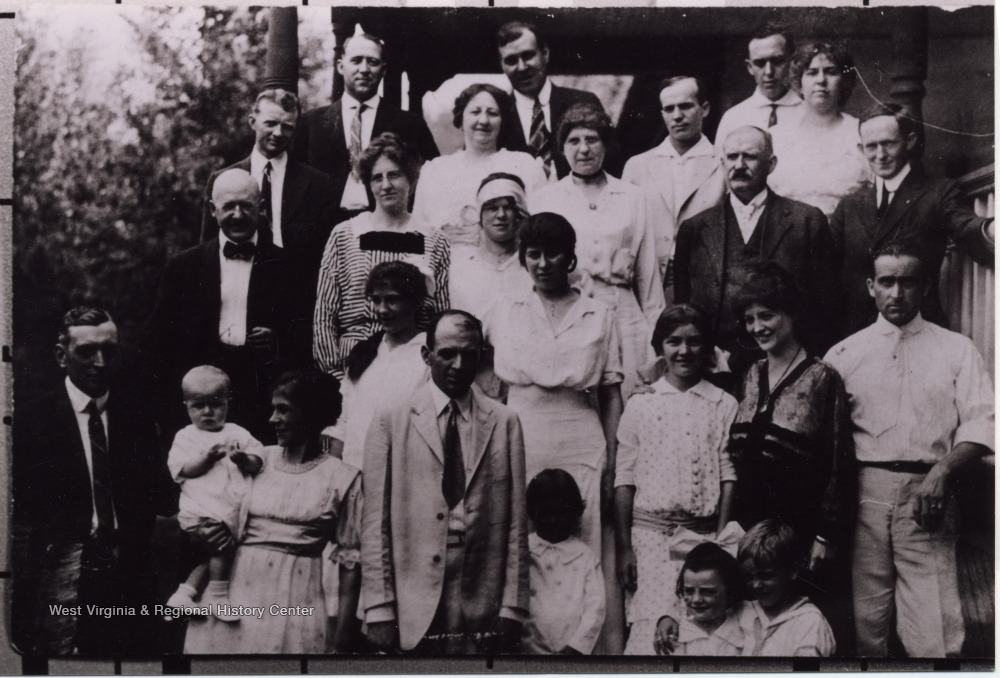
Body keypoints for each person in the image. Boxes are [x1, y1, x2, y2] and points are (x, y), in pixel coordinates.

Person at [824, 240, 994, 658]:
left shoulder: (956, 349)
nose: (896, 293)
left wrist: (942, 473)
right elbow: (829, 440)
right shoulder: (844, 354)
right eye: (887, 282)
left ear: (926, 286)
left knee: (933, 626)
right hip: (865, 495)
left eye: (908, 282)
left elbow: (984, 422)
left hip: (930, 493)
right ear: (871, 286)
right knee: (868, 624)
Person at [483, 212, 625, 653]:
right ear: (523, 259)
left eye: (553, 254)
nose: (543, 264)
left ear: (570, 257)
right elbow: (486, 378)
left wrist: (613, 462)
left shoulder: (599, 313)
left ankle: (588, 653)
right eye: (534, 254)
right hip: (521, 434)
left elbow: (611, 392)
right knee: (522, 544)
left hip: (581, 439)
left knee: (585, 544)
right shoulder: (504, 307)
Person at [361, 311, 529, 654]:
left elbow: (515, 521)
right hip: (411, 592)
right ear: (427, 356)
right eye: (447, 354)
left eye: (469, 355)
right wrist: (379, 606)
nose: (458, 365)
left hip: (480, 592)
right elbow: (374, 521)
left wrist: (512, 605)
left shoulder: (504, 422)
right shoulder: (391, 418)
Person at [12, 307, 176, 655]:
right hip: (60, 578)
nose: (100, 363)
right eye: (87, 351)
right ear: (62, 356)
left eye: (109, 351)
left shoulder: (136, 417)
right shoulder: (29, 423)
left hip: (131, 577)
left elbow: (162, 497)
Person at [184, 369, 363, 654]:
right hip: (232, 596)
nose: (272, 419)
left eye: (283, 410)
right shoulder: (255, 459)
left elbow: (351, 561)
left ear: (311, 413)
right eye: (273, 409)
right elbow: (208, 507)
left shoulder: (342, 477)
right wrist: (204, 534)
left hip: (296, 600)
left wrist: (342, 636)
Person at [726, 259, 854, 650]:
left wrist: (825, 535)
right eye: (749, 319)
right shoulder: (750, 374)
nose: (757, 327)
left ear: (792, 314)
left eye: (767, 315)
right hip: (749, 527)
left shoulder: (822, 377)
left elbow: (838, 463)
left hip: (799, 530)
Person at [614, 304, 739, 655]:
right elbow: (624, 478)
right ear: (659, 347)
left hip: (703, 541)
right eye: (674, 341)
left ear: (708, 347)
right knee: (649, 637)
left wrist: (721, 541)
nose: (684, 351)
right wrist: (624, 548)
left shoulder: (722, 403)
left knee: (699, 634)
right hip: (650, 541)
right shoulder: (641, 404)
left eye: (694, 341)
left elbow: (728, 474)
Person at [673, 126, 839, 376]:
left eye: (749, 156)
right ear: (722, 163)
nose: (739, 165)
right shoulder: (694, 229)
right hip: (713, 369)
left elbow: (826, 306)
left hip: (786, 368)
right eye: (732, 157)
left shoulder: (806, 221)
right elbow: (683, 309)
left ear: (771, 164)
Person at [144, 169, 290, 441]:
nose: (238, 215)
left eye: (246, 206)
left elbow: (305, 331)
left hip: (262, 394)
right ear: (213, 209)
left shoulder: (287, 265)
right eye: (229, 206)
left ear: (261, 208)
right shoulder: (183, 267)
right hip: (202, 396)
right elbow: (159, 341)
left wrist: (277, 340)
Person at [831, 104, 996, 336]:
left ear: (909, 141)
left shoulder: (938, 193)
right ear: (861, 149)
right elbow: (826, 269)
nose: (880, 155)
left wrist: (991, 228)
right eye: (872, 146)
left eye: (888, 143)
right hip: (858, 334)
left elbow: (965, 225)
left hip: (920, 332)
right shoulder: (849, 206)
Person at [534, 103, 664, 398]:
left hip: (625, 321)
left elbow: (649, 280)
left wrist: (656, 340)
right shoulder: (545, 200)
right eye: (574, 141)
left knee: (629, 402)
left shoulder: (632, 197)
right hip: (571, 320)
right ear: (562, 148)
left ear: (606, 144)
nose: (583, 149)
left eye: (592, 139)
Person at [200, 89, 337, 356]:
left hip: (295, 305)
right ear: (253, 122)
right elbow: (207, 249)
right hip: (234, 298)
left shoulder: (318, 185)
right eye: (271, 123)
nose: (278, 133)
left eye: (287, 126)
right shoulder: (223, 179)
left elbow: (324, 257)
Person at [313, 133, 450, 379]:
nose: (386, 185)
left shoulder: (434, 239)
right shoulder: (344, 234)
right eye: (377, 178)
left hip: (413, 364)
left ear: (411, 179)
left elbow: (441, 315)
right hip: (353, 364)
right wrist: (335, 376)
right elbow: (325, 314)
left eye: (394, 175)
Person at [293, 30, 439, 225]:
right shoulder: (311, 124)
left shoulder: (410, 124)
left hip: (389, 228)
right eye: (356, 61)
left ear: (383, 70)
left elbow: (432, 179)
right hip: (324, 231)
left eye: (372, 62)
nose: (364, 69)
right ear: (340, 66)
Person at [165, 366, 263, 622]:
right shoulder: (186, 436)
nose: (207, 412)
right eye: (199, 406)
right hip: (202, 509)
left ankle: (184, 593)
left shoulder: (237, 433)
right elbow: (182, 469)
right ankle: (218, 599)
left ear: (228, 402)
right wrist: (206, 458)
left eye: (216, 404)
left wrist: (244, 459)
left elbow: (259, 460)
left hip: (227, 508)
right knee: (221, 549)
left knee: (216, 554)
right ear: (186, 406)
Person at [622, 76, 726, 295]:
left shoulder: (723, 163)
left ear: (705, 109)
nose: (677, 116)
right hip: (649, 280)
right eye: (669, 109)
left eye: (686, 106)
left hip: (705, 280)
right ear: (662, 114)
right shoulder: (637, 166)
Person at [412, 84, 546, 246]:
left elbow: (543, 226)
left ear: (503, 121)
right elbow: (418, 229)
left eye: (492, 113)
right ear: (461, 118)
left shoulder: (524, 165)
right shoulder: (434, 170)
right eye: (475, 112)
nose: (483, 121)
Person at [327, 261, 429, 470]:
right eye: (376, 300)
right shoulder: (363, 354)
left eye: (392, 300)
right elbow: (343, 423)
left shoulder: (429, 356)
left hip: (404, 472)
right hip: (354, 469)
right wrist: (335, 474)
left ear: (415, 301)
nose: (382, 309)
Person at [766, 42, 872, 218]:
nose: (821, 80)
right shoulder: (777, 136)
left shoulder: (860, 132)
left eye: (831, 72)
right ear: (799, 82)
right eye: (812, 72)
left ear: (843, 81)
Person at [495, 20, 607, 178]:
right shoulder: (497, 115)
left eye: (528, 55)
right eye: (511, 60)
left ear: (545, 54)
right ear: (502, 65)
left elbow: (609, 165)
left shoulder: (583, 102)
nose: (521, 67)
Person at [522, 469, 606, 655]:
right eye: (546, 513)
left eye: (561, 513)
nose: (553, 520)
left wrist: (577, 646)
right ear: (533, 512)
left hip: (572, 651)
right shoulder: (524, 551)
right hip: (528, 650)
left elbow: (596, 606)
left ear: (574, 512)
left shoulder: (584, 556)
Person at [736, 520, 836, 657]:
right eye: (749, 577)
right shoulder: (742, 611)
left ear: (793, 570)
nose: (755, 585)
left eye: (765, 576)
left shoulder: (809, 622)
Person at [448, 172, 534, 317]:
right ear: (480, 215)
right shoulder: (459, 269)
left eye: (508, 207)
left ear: (521, 213)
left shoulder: (536, 266)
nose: (501, 215)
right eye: (492, 208)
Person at [714, 23, 803, 149]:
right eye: (760, 63)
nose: (769, 72)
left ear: (792, 62)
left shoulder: (809, 113)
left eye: (777, 61)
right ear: (750, 67)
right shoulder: (733, 117)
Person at [655, 542, 747, 656]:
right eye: (689, 591)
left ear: (729, 590)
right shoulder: (675, 635)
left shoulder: (744, 628)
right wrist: (665, 619)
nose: (696, 599)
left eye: (707, 591)